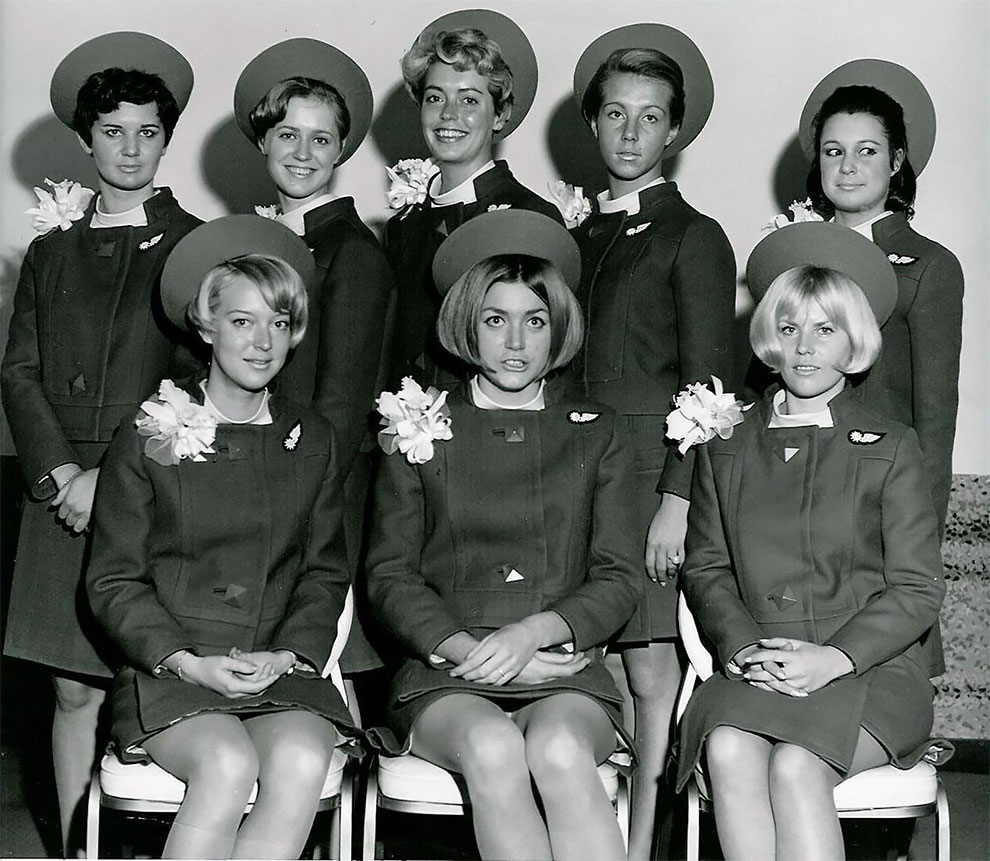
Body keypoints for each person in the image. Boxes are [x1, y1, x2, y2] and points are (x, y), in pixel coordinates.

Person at [365, 209, 642, 861]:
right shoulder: (421, 425)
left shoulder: (595, 432)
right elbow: (389, 576)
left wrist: (531, 634)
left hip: (560, 668)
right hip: (448, 672)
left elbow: (618, 575)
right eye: (496, 320)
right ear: (467, 324)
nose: (516, 342)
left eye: (534, 320)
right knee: (491, 745)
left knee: (559, 746)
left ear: (558, 329)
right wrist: (467, 647)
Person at [85, 216, 359, 860]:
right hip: (173, 668)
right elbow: (113, 580)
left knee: (300, 754)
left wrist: (289, 655)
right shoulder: (150, 431)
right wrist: (188, 660)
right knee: (228, 762)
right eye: (242, 321)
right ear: (206, 326)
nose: (262, 342)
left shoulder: (313, 438)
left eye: (280, 324)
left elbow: (324, 573)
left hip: (275, 667)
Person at [676, 222, 947, 861]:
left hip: (870, 670)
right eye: (790, 328)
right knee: (728, 747)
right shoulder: (727, 446)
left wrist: (834, 658)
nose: (804, 348)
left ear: (854, 342)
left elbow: (916, 588)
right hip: (760, 662)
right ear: (770, 337)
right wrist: (744, 650)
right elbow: (707, 569)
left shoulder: (892, 448)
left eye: (825, 329)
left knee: (798, 766)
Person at [1, 32, 201, 854]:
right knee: (71, 689)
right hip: (57, 492)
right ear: (85, 141)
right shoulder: (50, 252)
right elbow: (20, 372)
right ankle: (76, 848)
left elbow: (196, 377)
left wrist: (105, 474)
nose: (129, 147)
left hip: (148, 481)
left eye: (147, 131)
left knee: (147, 678)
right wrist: (58, 471)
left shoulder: (195, 244)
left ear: (165, 140)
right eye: (112, 131)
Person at [568, 24, 737, 857]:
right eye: (616, 114)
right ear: (593, 123)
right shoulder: (580, 234)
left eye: (650, 117)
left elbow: (710, 384)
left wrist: (676, 497)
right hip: (578, 471)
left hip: (646, 477)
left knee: (649, 667)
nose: (631, 132)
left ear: (674, 131)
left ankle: (643, 847)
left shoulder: (693, 235)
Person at [234, 38, 395, 697]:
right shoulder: (257, 242)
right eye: (287, 134)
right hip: (257, 479)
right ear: (262, 140)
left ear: (341, 151)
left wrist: (290, 495)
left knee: (319, 661)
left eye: (321, 140)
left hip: (315, 490)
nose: (302, 154)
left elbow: (339, 402)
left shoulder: (351, 252)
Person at [799, 59, 964, 533]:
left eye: (866, 151)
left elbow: (934, 423)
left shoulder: (931, 266)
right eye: (833, 152)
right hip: (790, 486)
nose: (848, 167)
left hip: (876, 496)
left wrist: (920, 537)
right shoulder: (790, 255)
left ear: (895, 162)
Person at [385, 8, 563, 388]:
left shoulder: (530, 216)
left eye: (469, 101)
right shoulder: (403, 224)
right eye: (435, 98)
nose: (448, 114)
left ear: (500, 115)